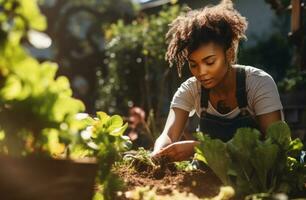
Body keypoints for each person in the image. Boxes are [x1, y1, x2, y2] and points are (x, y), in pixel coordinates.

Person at [151, 0, 283, 162]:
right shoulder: (191, 89)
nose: (201, 72)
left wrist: (200, 148)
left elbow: (276, 147)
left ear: (228, 54)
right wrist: (157, 154)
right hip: (209, 179)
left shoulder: (258, 83)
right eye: (194, 64)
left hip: (256, 180)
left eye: (210, 62)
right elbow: (169, 134)